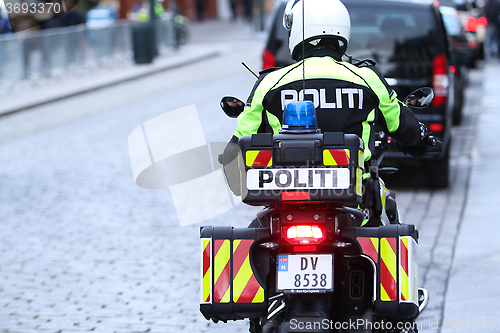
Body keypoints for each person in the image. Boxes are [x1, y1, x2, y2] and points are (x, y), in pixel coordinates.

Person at [222, 0, 428, 226]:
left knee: (249, 244)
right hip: (356, 207)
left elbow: (237, 146)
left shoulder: (270, 83)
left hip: (284, 210)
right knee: (390, 226)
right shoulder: (367, 79)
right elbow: (403, 127)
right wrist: (421, 138)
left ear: (298, 31)